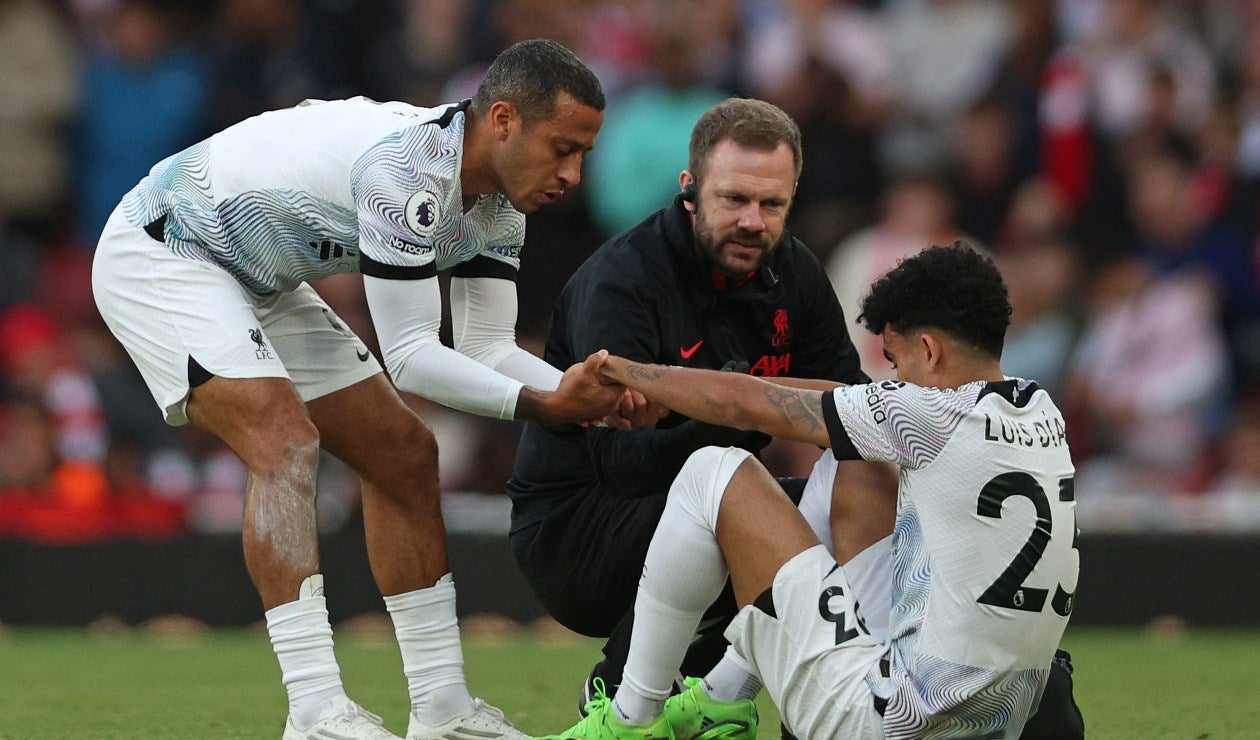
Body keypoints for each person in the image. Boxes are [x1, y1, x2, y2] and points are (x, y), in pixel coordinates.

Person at [91, 38, 625, 740]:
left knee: (404, 452)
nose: (574, 173)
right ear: (502, 121)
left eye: (582, 153)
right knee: (284, 441)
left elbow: (485, 349)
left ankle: (443, 711)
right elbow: (409, 358)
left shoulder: (498, 203)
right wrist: (551, 404)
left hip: (257, 275)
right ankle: (314, 713)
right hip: (164, 248)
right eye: (562, 148)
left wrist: (587, 395)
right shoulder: (406, 169)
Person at [546, 243, 1082, 739]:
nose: (891, 381)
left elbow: (745, 404)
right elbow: (848, 398)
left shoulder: (932, 418)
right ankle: (721, 700)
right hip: (991, 723)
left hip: (881, 724)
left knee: (712, 472)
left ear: (929, 349)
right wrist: (681, 395)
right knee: (853, 465)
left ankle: (630, 718)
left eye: (896, 364)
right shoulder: (1039, 415)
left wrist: (630, 373)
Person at [506, 96, 894, 722]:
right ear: (689, 190)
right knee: (728, 486)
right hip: (577, 528)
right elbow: (620, 466)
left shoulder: (795, 274)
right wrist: (730, 411)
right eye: (733, 199)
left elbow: (850, 420)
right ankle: (620, 696)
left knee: (859, 490)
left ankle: (742, 701)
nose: (753, 222)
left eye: (772, 205)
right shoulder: (623, 283)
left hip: (702, 501)